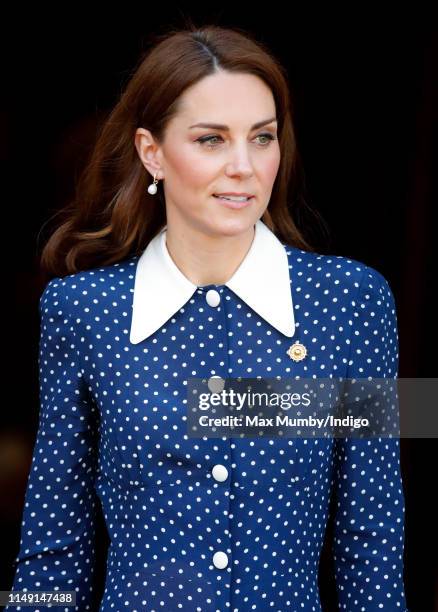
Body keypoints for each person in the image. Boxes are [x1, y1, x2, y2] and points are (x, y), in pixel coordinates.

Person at [6, 24, 408, 611]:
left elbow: (373, 538)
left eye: (262, 137)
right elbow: (52, 549)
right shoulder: (81, 310)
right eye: (211, 140)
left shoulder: (353, 301)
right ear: (152, 152)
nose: (244, 166)